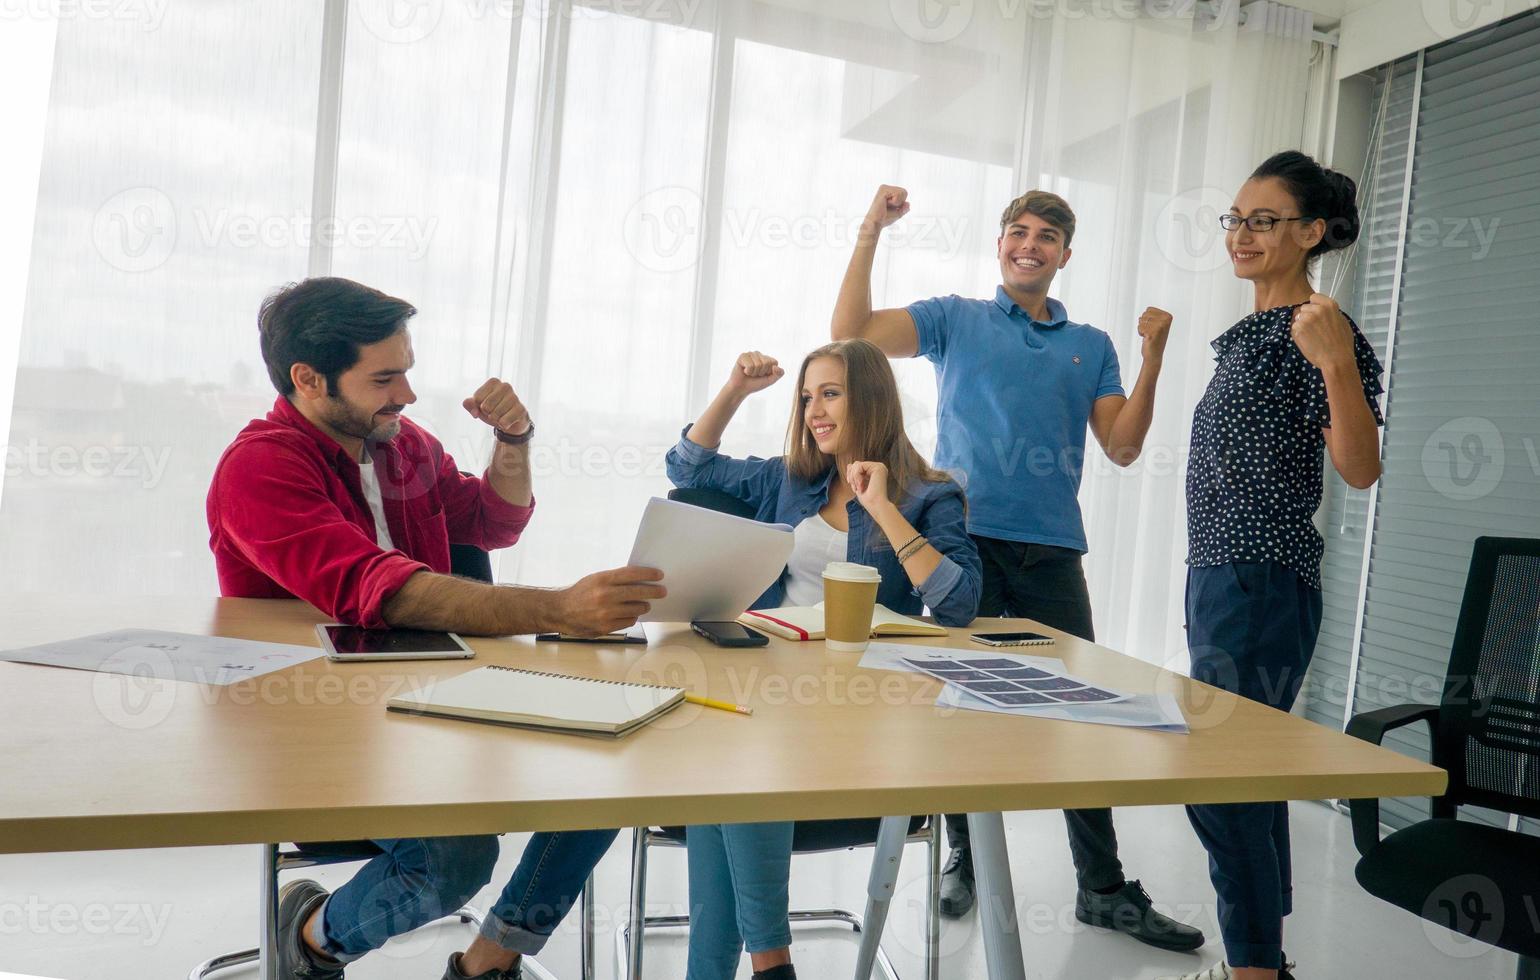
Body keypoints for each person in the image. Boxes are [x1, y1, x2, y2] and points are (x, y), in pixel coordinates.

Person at [206, 276, 666, 980]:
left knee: (608, 768)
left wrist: (514, 439)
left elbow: (494, 521)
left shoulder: (404, 444)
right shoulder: (259, 468)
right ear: (309, 378)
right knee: (455, 859)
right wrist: (560, 609)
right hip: (317, 736)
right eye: (385, 377)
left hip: (433, 707)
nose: (407, 396)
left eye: (407, 371)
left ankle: (492, 958)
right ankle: (312, 938)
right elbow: (379, 591)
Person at [831, 186, 1204, 953]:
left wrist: (1153, 359)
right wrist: (872, 228)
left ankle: (1102, 889)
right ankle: (964, 858)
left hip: (1053, 550)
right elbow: (852, 336)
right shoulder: (955, 318)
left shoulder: (1091, 343)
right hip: (962, 541)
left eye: (1046, 237)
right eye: (1017, 232)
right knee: (967, 707)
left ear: (1066, 254)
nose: (1028, 245)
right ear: (1000, 244)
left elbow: (1125, 446)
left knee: (1086, 710)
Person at [664, 338, 982, 980]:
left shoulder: (929, 494)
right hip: (769, 698)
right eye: (807, 396)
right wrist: (733, 390)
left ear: (870, 399)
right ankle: (771, 964)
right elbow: (688, 467)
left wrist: (883, 507)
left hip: (857, 723)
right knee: (729, 759)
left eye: (829, 393)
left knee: (726, 769)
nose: (813, 410)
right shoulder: (790, 480)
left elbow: (957, 604)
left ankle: (763, 964)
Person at [1158, 153, 1383, 980]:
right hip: (1218, 575)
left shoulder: (1320, 331)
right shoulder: (1252, 334)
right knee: (1242, 772)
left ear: (1311, 233)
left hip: (1261, 578)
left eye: (1264, 220)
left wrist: (1336, 361)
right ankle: (1262, 958)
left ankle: (1255, 965)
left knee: (1217, 773)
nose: (1242, 235)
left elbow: (1360, 468)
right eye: (1236, 219)